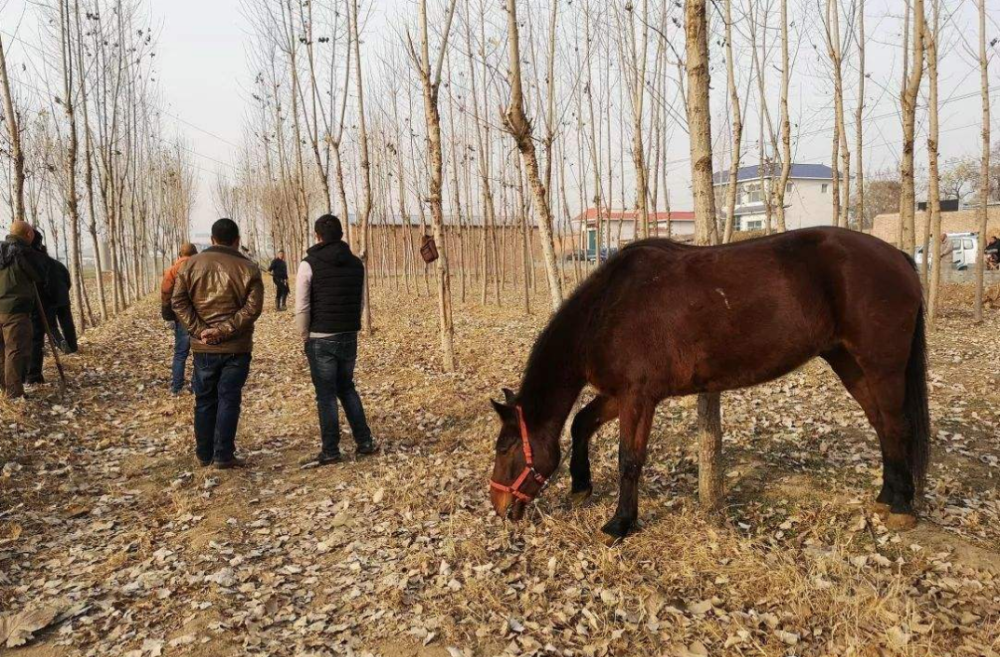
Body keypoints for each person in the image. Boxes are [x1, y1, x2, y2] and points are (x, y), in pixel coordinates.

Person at [172, 220, 263, 469]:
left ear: (212, 239)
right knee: (229, 399)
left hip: (204, 348)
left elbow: (178, 301)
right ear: (237, 240)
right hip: (237, 346)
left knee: (204, 400)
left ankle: (204, 454)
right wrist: (223, 330)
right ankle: (223, 455)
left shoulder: (189, 265)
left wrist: (200, 331)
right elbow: (253, 308)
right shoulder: (249, 268)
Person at [296, 214, 376, 465]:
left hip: (321, 337)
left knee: (326, 395)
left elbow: (302, 305)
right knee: (347, 387)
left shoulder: (308, 264)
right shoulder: (357, 264)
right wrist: (351, 326)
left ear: (317, 236)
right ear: (341, 235)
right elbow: (360, 301)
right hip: (348, 335)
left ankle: (331, 450)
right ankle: (364, 441)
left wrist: (304, 335)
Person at [0, 222, 45, 399]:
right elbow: (40, 274)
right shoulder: (24, 252)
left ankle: (4, 389)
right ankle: (14, 394)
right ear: (28, 234)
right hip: (15, 310)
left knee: (2, 350)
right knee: (16, 351)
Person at [161, 243, 199, 394]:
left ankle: (177, 387)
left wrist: (168, 316)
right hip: (199, 316)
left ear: (179, 254)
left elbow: (166, 293)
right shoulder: (202, 268)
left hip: (181, 316)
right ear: (195, 254)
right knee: (200, 353)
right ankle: (196, 386)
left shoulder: (172, 270)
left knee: (180, 353)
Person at [25, 229, 54, 385]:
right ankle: (33, 375)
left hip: (18, 306)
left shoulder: (14, 255)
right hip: (37, 306)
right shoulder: (41, 258)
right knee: (36, 340)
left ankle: (23, 376)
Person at [47, 256, 78, 354]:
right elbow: (68, 281)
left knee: (50, 325)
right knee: (67, 323)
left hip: (48, 300)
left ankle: (60, 342)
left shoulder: (38, 265)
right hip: (63, 297)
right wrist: (64, 292)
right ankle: (73, 347)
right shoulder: (58, 264)